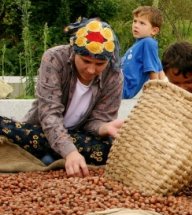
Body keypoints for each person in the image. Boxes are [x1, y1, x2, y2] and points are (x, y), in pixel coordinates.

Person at [0, 18, 123, 177]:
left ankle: (46, 155)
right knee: (7, 126)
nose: (91, 70)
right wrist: (70, 152)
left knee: (107, 149)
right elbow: (49, 114)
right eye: (85, 61)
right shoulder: (54, 58)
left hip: (79, 136)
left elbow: (96, 121)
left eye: (100, 64)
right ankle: (55, 154)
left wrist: (103, 128)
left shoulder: (114, 76)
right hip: (41, 130)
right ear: (74, 51)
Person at [121, 6, 164, 99]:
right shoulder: (139, 44)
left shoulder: (148, 43)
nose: (136, 25)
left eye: (142, 23)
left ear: (154, 30)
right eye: (135, 21)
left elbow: (153, 71)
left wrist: (156, 95)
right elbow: (159, 68)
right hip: (117, 83)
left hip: (121, 88)